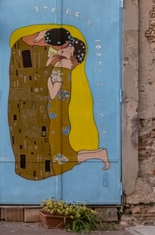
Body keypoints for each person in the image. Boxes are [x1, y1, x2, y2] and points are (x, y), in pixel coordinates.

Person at [7, 26, 108, 181]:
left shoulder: (62, 67)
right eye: (62, 48)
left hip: (52, 114)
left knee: (60, 155)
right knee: (61, 153)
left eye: (66, 49)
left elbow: (54, 91)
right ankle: (98, 154)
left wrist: (50, 71)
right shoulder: (59, 64)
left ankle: (98, 154)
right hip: (50, 112)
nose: (61, 51)